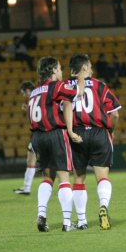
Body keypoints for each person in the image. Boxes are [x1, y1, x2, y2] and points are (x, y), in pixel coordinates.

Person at [29, 56, 84, 232]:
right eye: (59, 68)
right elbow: (78, 94)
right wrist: (80, 77)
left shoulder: (34, 91)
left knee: (47, 177)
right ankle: (67, 222)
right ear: (53, 70)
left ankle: (41, 214)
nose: (61, 72)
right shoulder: (56, 86)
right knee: (64, 178)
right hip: (54, 134)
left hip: (37, 136)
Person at [67, 53, 121, 230]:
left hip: (77, 134)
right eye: (89, 66)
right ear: (84, 68)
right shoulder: (99, 85)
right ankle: (103, 206)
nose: (91, 69)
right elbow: (115, 114)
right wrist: (110, 131)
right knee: (102, 176)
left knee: (79, 178)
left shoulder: (65, 87)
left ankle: (82, 221)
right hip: (99, 133)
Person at [13, 81, 37, 195]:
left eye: (24, 93)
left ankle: (27, 188)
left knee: (31, 159)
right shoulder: (37, 96)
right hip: (40, 134)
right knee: (31, 159)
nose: (23, 95)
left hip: (39, 134)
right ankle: (26, 188)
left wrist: (28, 109)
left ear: (28, 90)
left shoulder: (33, 98)